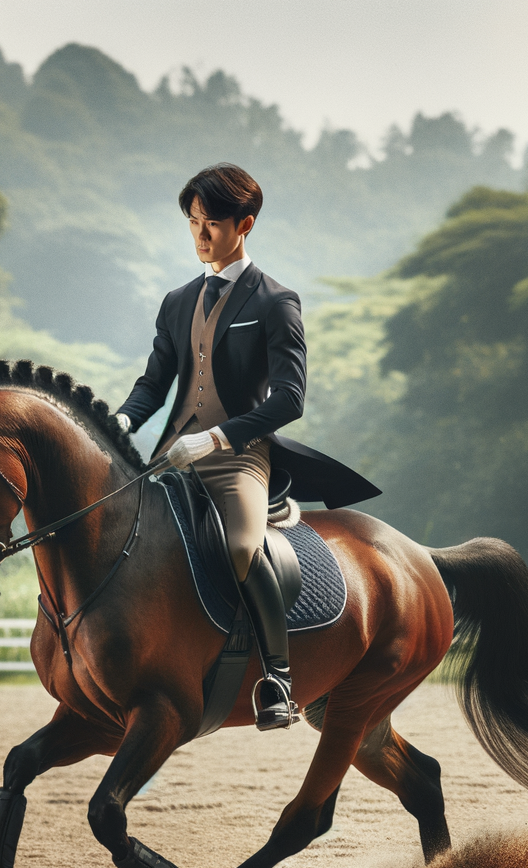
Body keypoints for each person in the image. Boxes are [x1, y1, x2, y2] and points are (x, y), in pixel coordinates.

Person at [116, 163, 378, 730]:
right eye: (193, 221)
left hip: (237, 455)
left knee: (239, 545)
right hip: (169, 454)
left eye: (212, 222)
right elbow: (153, 384)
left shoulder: (277, 301)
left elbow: (289, 399)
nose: (200, 233)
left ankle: (278, 678)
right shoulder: (176, 301)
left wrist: (215, 437)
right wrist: (121, 420)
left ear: (246, 224)